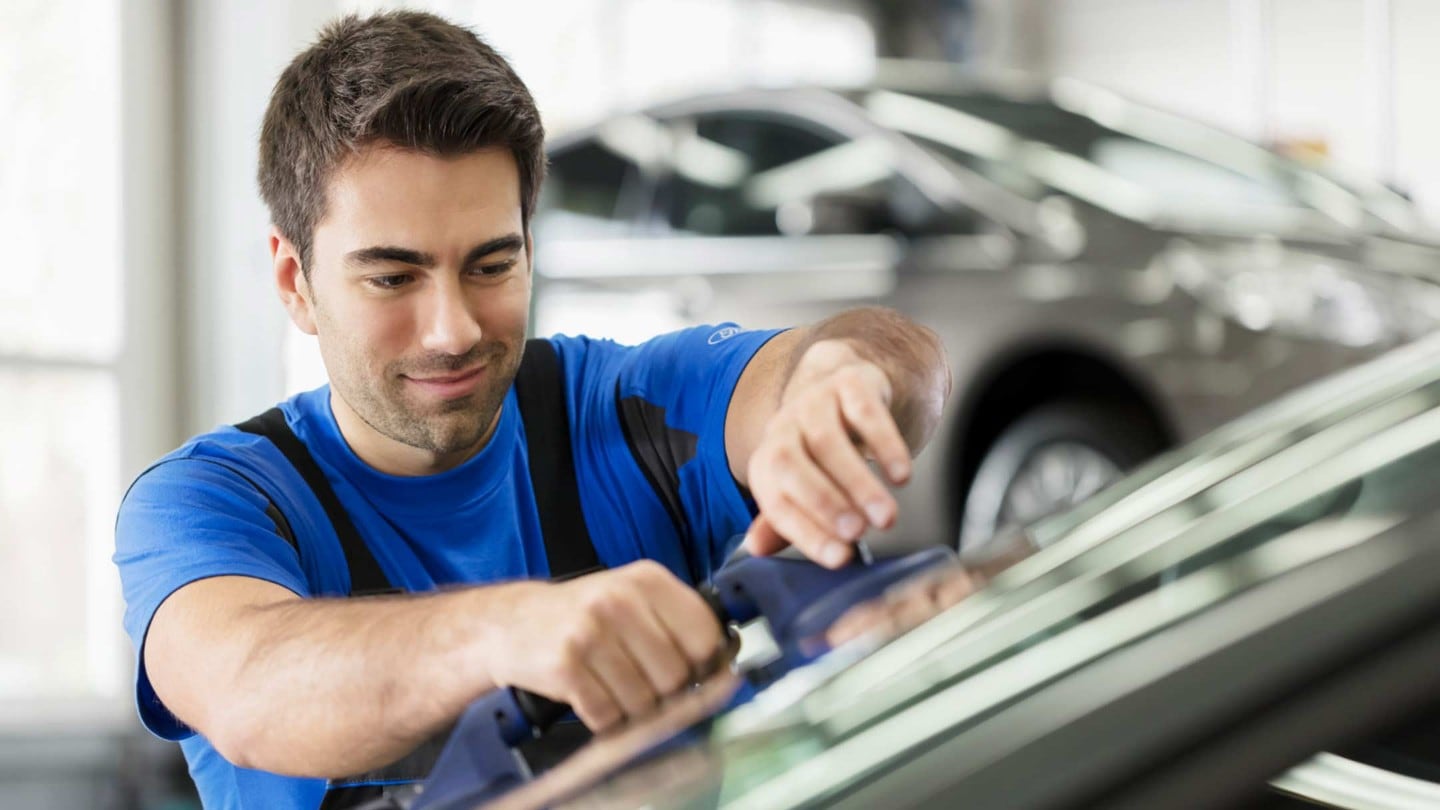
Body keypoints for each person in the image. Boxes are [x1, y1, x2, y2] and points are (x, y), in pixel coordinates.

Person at [112, 10, 950, 810]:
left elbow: (865, 360)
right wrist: (511, 633)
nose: (454, 330)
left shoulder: (630, 414)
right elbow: (251, 688)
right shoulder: (212, 502)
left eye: (490, 265)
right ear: (296, 281)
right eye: (393, 277)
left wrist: (846, 382)